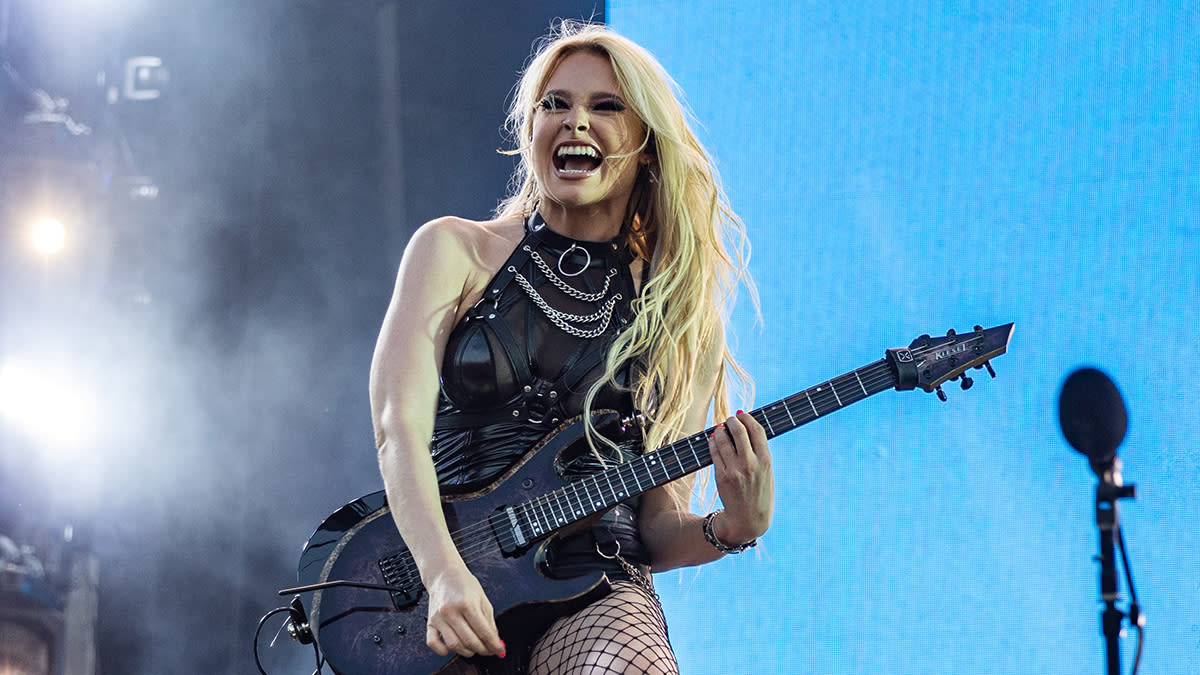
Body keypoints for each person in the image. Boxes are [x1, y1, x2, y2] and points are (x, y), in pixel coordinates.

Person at [369, 20, 773, 674]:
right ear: (530, 133)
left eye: (605, 106)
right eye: (554, 104)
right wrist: (441, 571)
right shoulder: (453, 250)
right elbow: (397, 429)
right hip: (446, 577)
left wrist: (731, 526)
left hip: (594, 585)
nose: (575, 121)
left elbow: (658, 522)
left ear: (645, 145)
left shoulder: (677, 316)